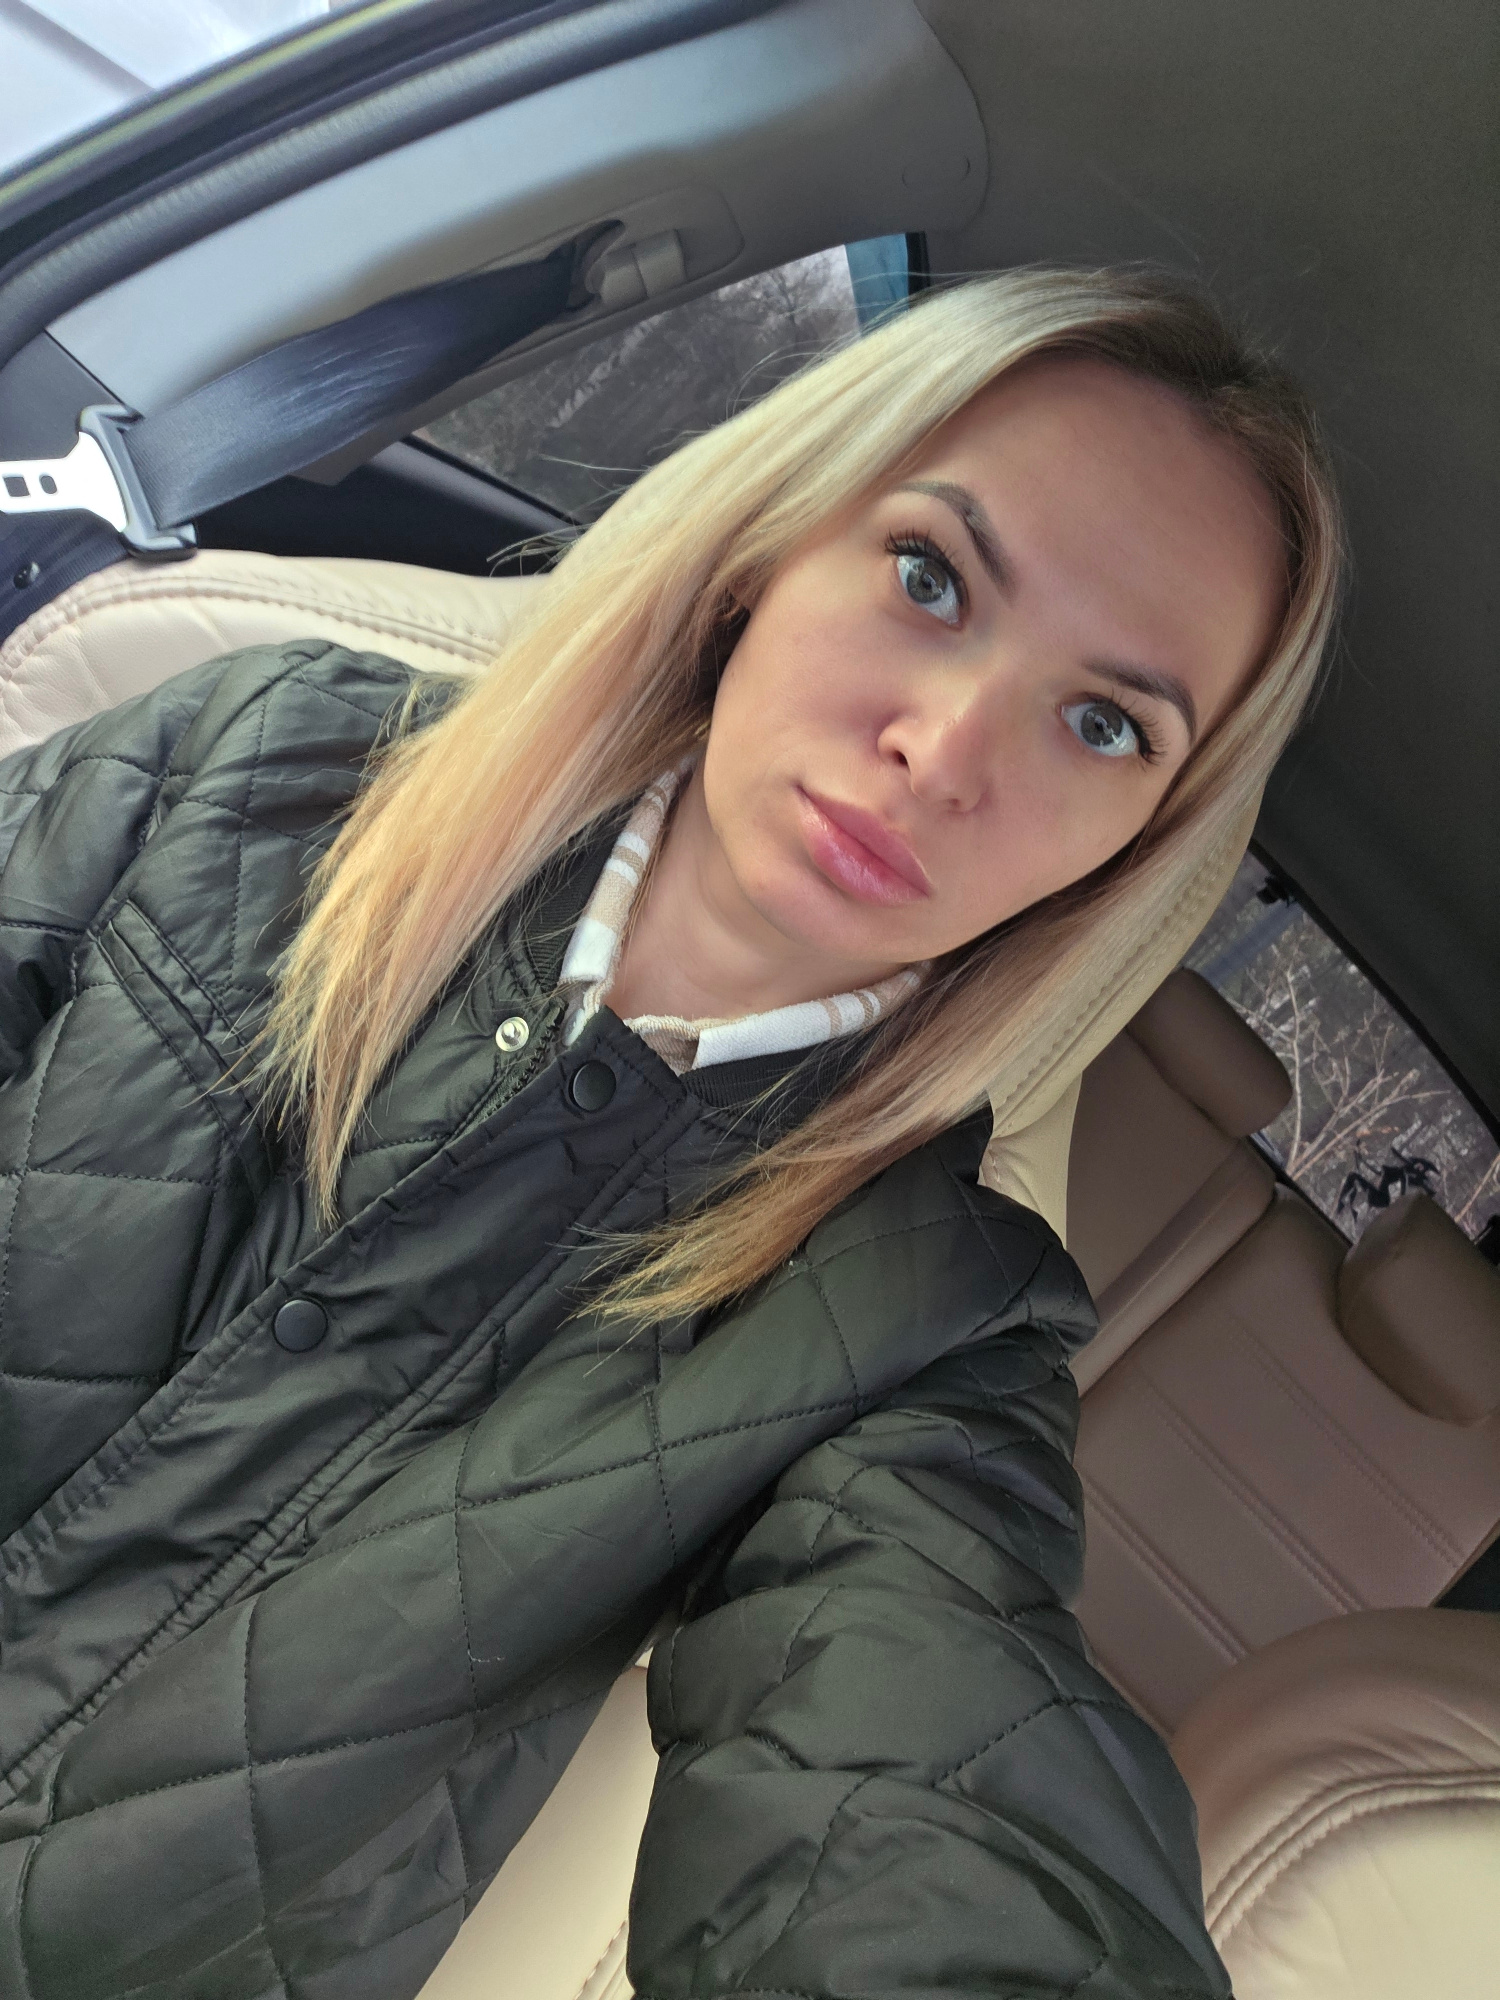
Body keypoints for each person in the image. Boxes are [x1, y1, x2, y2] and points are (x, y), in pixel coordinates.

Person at [0, 266, 1340, 1999]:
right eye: (930, 577)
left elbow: (931, 1771)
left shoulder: (931, 1326)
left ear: (1136, 842)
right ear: (775, 540)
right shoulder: (258, 767)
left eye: (1105, 724)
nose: (942, 752)